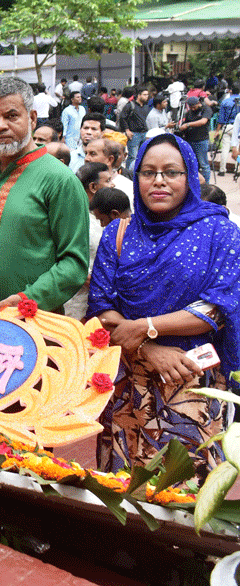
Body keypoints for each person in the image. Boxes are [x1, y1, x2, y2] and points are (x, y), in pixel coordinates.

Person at [87, 133, 240, 477]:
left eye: (171, 172)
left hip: (189, 378)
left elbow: (218, 306)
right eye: (148, 172)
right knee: (120, 484)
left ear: (191, 177)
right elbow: (102, 307)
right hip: (126, 383)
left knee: (182, 487)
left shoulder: (219, 232)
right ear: (136, 176)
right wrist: (149, 348)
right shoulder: (119, 233)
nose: (159, 181)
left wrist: (144, 326)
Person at [0, 76, 89, 313]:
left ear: (32, 118)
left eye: (11, 116)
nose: (0, 125)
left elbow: (74, 264)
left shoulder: (60, 180)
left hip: (32, 323)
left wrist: (27, 299)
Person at [85, 138, 134, 206]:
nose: (86, 159)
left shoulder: (128, 188)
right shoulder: (82, 182)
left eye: (92, 154)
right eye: (86, 153)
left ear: (110, 159)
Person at [180, 96, 212, 183]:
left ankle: (206, 184)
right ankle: (194, 182)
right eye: (190, 107)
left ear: (198, 103)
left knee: (203, 164)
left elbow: (203, 121)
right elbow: (184, 122)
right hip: (190, 139)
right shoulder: (189, 112)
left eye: (194, 106)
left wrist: (188, 125)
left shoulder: (206, 109)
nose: (192, 109)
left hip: (201, 140)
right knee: (192, 163)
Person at [118, 86, 151, 172]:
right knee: (133, 156)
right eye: (144, 95)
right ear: (139, 95)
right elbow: (122, 118)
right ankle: (129, 173)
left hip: (145, 133)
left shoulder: (146, 107)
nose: (146, 96)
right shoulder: (130, 105)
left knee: (144, 155)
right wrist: (127, 130)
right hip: (134, 134)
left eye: (147, 95)